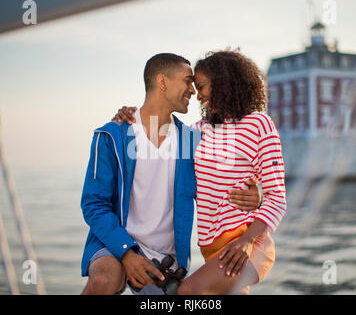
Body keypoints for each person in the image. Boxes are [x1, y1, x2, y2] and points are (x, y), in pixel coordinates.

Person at [80, 52, 261, 295]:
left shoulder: (194, 140)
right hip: (115, 243)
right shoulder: (113, 135)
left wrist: (255, 195)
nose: (193, 91)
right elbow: (94, 204)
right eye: (187, 81)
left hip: (165, 261)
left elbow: (221, 185)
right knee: (104, 279)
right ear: (162, 81)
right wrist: (126, 252)